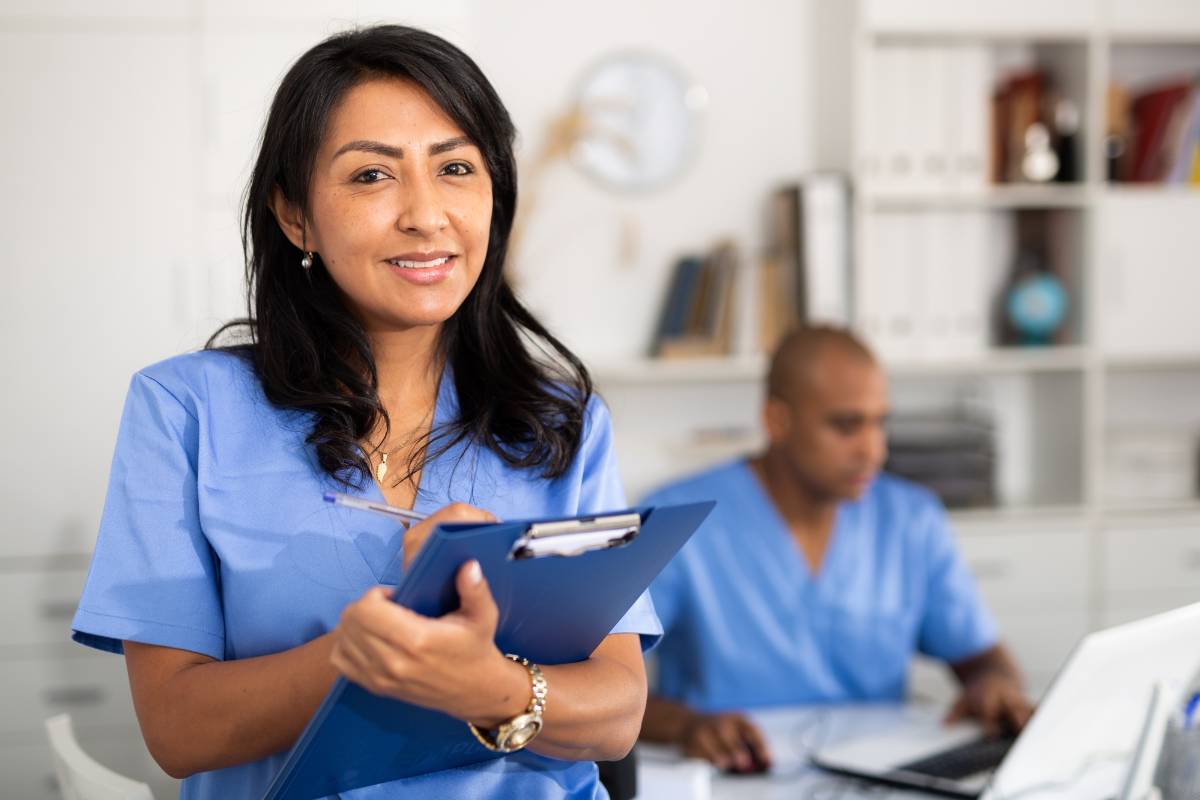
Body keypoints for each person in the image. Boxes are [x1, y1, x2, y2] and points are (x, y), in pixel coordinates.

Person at [70, 25, 659, 799]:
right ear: (295, 217)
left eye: (455, 167)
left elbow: (617, 715)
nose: (425, 213)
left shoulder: (562, 421)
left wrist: (487, 683)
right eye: (372, 176)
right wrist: (367, 650)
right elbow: (179, 732)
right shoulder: (185, 411)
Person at [638, 326, 1032, 772]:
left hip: (878, 777)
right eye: (846, 426)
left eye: (880, 422)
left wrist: (994, 684)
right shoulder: (675, 519)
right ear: (777, 421)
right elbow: (604, 683)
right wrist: (689, 726)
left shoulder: (910, 519)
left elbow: (980, 657)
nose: (873, 451)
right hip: (735, 775)